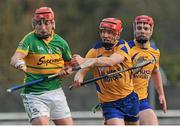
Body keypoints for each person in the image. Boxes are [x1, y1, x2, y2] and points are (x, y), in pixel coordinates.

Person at [10, 7, 75, 125]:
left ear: (53, 23)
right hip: (34, 95)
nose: (43, 28)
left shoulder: (61, 43)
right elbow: (15, 58)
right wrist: (19, 63)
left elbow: (69, 65)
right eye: (39, 24)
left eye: (46, 23)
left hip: (56, 92)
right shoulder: (29, 39)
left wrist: (66, 70)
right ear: (34, 24)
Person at [71, 18, 139, 125]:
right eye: (103, 31)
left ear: (117, 34)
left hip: (129, 99)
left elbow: (110, 61)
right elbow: (82, 70)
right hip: (109, 103)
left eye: (109, 32)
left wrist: (85, 60)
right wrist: (78, 77)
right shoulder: (94, 51)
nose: (105, 35)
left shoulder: (123, 46)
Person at [127, 15, 167, 125]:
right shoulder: (125, 49)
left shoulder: (155, 52)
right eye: (139, 28)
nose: (142, 31)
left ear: (151, 30)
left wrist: (161, 94)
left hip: (141, 101)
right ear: (134, 29)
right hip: (124, 102)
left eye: (146, 28)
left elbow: (155, 71)